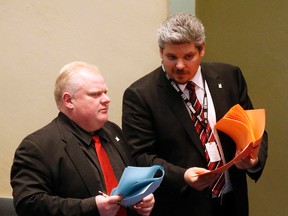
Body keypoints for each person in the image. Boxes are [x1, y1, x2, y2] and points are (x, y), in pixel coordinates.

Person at [122, 13, 268, 216]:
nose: (180, 65)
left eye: (188, 56)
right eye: (171, 57)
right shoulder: (140, 95)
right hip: (181, 206)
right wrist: (182, 176)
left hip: (232, 202)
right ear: (161, 52)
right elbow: (140, 156)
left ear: (202, 50)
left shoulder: (229, 77)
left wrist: (253, 160)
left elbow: (254, 129)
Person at [10, 61, 155, 216]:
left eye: (105, 92)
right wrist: (91, 207)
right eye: (95, 94)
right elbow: (28, 204)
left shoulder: (113, 131)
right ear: (68, 100)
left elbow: (129, 182)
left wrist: (141, 198)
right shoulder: (37, 146)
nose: (106, 99)